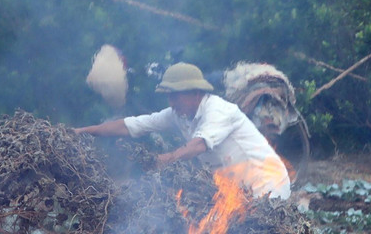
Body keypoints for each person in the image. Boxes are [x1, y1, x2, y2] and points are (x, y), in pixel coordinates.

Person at [75, 62, 291, 199]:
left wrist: (165, 159)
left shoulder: (219, 110)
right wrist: (84, 131)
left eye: (176, 95)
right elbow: (134, 125)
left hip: (267, 186)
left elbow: (199, 144)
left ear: (195, 93)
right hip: (237, 192)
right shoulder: (178, 114)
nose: (171, 101)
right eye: (169, 96)